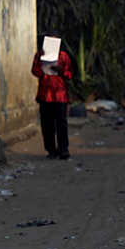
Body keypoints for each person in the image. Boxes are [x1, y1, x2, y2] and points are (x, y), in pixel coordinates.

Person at [32, 31, 73, 159]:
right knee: (47, 123)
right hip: (45, 94)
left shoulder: (64, 56)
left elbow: (69, 75)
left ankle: (63, 149)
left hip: (60, 94)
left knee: (61, 122)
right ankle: (51, 149)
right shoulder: (39, 56)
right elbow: (35, 72)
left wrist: (60, 71)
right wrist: (39, 58)